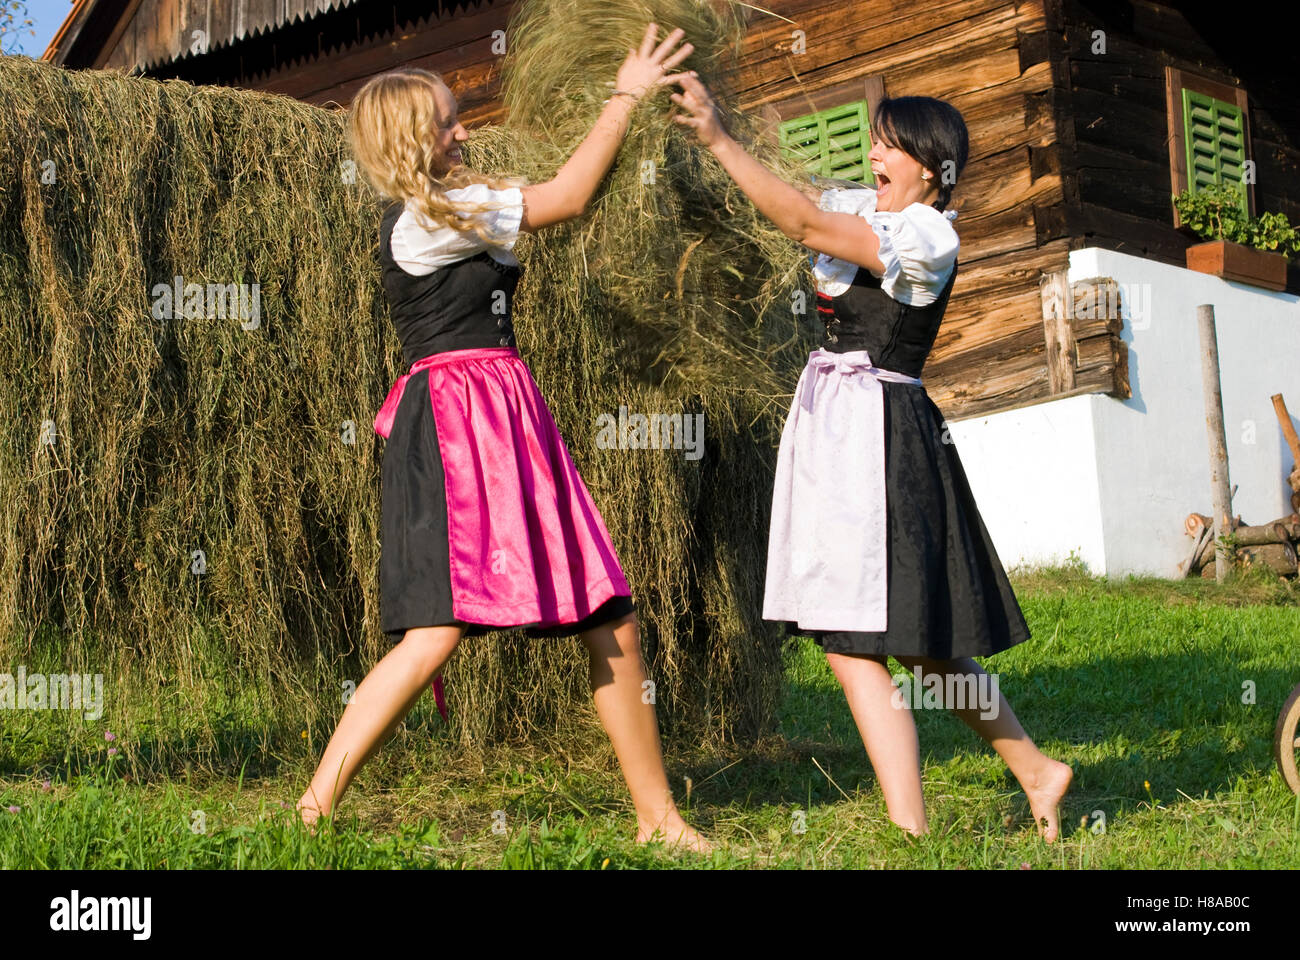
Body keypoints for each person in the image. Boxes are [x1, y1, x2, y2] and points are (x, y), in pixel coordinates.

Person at [298, 24, 710, 852]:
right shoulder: (431, 217)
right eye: (449, 122)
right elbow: (566, 196)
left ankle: (658, 819)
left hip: (499, 413)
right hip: (460, 425)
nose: (464, 130)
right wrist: (624, 95)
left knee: (607, 613)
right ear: (417, 139)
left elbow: (542, 189)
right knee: (436, 633)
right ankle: (312, 809)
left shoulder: (452, 205)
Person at [669, 74, 1073, 841]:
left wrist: (719, 136)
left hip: (880, 436)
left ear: (931, 167)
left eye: (890, 144)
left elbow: (798, 219)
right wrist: (712, 128)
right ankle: (1035, 771)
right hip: (836, 431)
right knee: (914, 644)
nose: (874, 153)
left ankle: (910, 829)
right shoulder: (871, 206)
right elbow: (798, 192)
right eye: (876, 141)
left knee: (858, 641)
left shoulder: (925, 235)